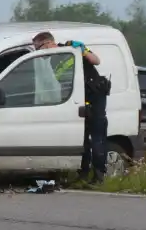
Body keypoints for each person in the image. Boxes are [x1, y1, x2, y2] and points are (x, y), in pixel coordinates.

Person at [32, 31, 109, 183]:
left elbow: (96, 61)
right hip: (78, 101)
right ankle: (84, 174)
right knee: (82, 140)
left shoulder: (70, 48)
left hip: (94, 97)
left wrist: (84, 51)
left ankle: (99, 176)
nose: (37, 52)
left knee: (97, 139)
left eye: (38, 48)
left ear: (48, 44)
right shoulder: (51, 61)